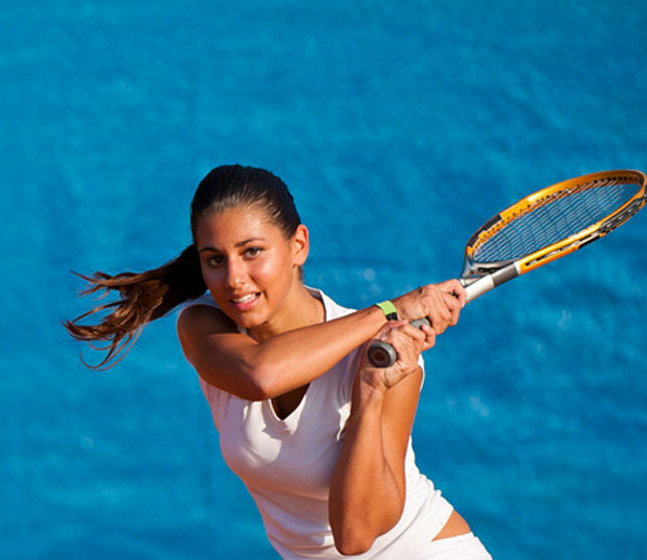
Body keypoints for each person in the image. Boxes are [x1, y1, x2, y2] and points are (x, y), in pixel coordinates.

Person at [64, 165, 492, 559]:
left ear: (298, 246)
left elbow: (355, 536)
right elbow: (261, 373)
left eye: (252, 252)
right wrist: (391, 308)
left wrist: (369, 390)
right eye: (215, 260)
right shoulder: (202, 327)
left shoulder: (387, 358)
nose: (234, 279)